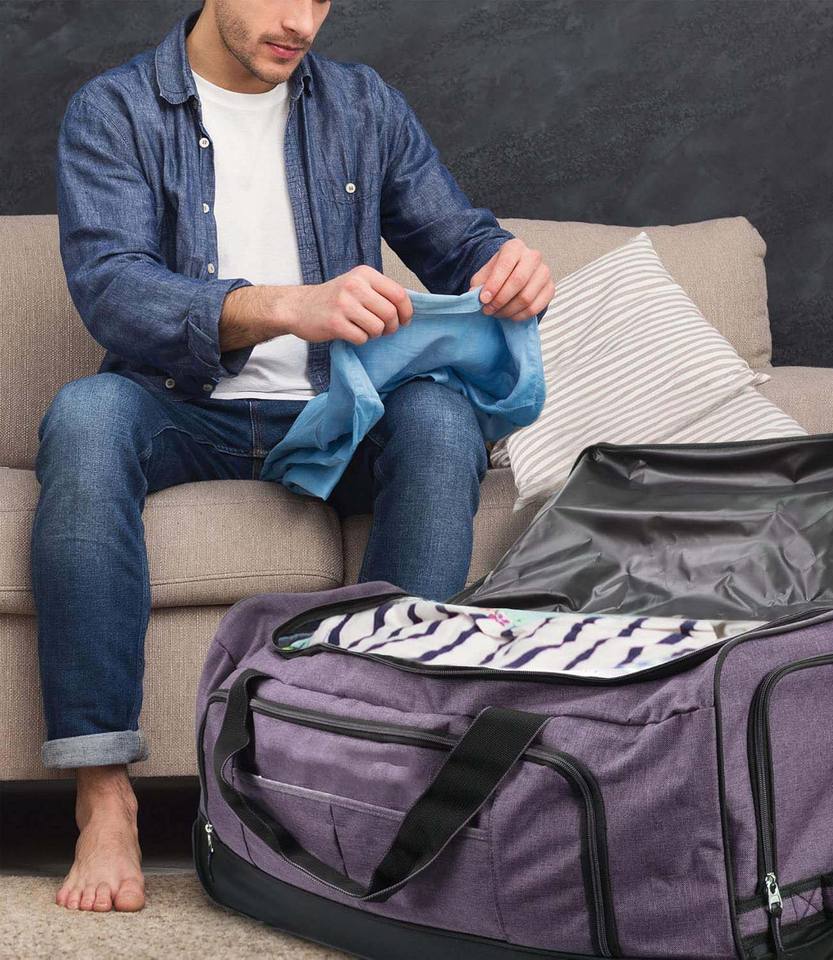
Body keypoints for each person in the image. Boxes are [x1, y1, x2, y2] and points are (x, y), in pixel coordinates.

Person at [39, 0, 555, 914]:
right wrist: (285, 305)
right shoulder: (113, 110)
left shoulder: (363, 104)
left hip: (335, 410)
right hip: (179, 406)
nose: (302, 21)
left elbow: (457, 240)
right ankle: (103, 793)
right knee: (85, 415)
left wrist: (505, 263)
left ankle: (376, 760)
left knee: (441, 417)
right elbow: (112, 289)